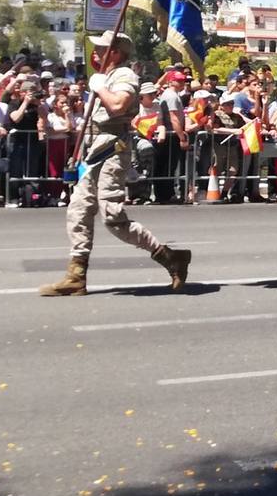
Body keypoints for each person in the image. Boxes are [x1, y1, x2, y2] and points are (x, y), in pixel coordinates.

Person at [39, 32, 190, 297]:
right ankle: (76, 275)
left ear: (116, 52)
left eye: (101, 48)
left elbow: (119, 105)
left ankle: (169, 257)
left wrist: (99, 87)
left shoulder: (124, 76)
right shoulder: (107, 78)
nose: (95, 53)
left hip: (110, 153)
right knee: (78, 209)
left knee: (112, 216)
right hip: (94, 153)